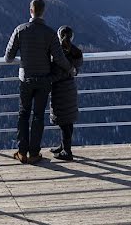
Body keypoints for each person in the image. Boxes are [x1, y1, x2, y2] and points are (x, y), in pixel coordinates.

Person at [4, 0, 75, 164]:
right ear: (43, 12)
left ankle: (22, 152)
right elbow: (59, 58)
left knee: (23, 114)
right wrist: (70, 68)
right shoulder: (50, 33)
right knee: (38, 116)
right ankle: (34, 153)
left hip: (26, 79)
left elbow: (8, 58)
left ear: (30, 11)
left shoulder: (20, 30)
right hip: (44, 80)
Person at [49, 26, 83, 161]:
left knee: (63, 122)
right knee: (67, 120)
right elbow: (77, 67)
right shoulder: (76, 52)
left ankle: (67, 151)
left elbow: (55, 72)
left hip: (59, 89)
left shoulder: (57, 53)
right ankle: (63, 146)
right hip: (70, 88)